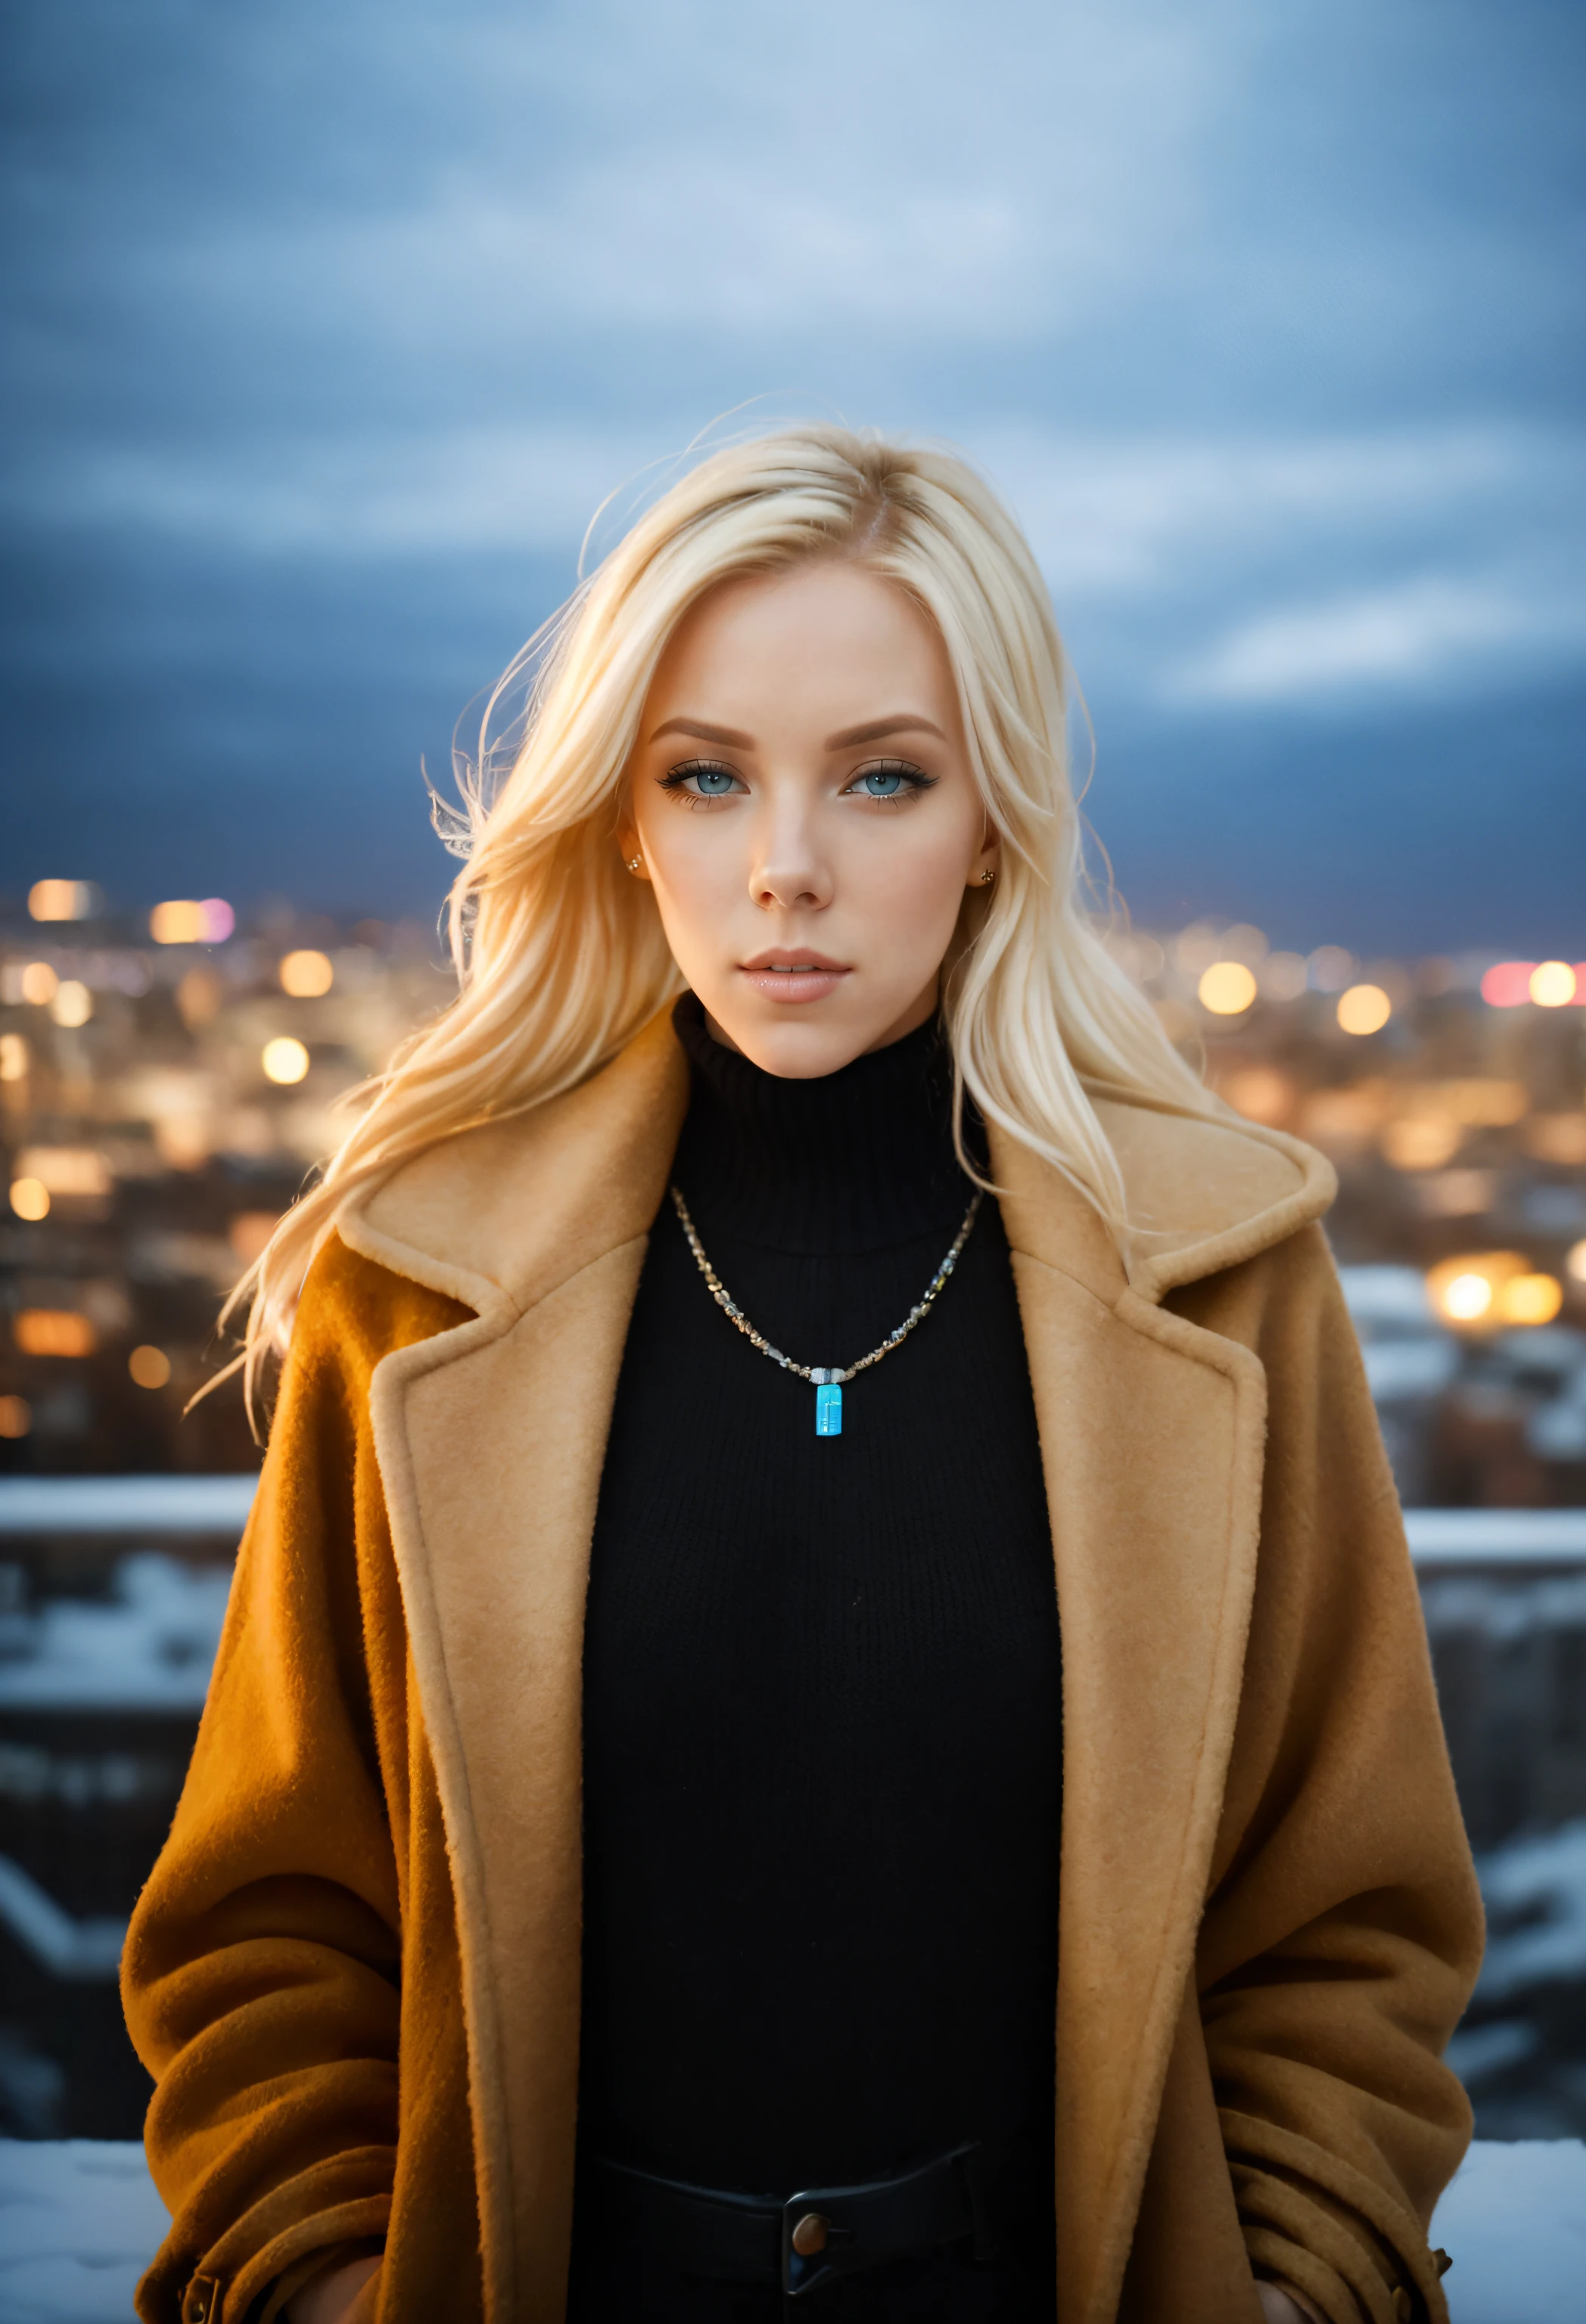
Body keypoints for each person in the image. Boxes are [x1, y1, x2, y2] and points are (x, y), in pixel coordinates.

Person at [122, 426, 1482, 2324]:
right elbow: (272, 1919)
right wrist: (324, 2283)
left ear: (996, 814)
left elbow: (1353, 1918)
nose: (785, 872)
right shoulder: (416, 1285)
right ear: (621, 814)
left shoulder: (1230, 1282)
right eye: (706, 778)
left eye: (883, 779)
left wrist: (1290, 2287)